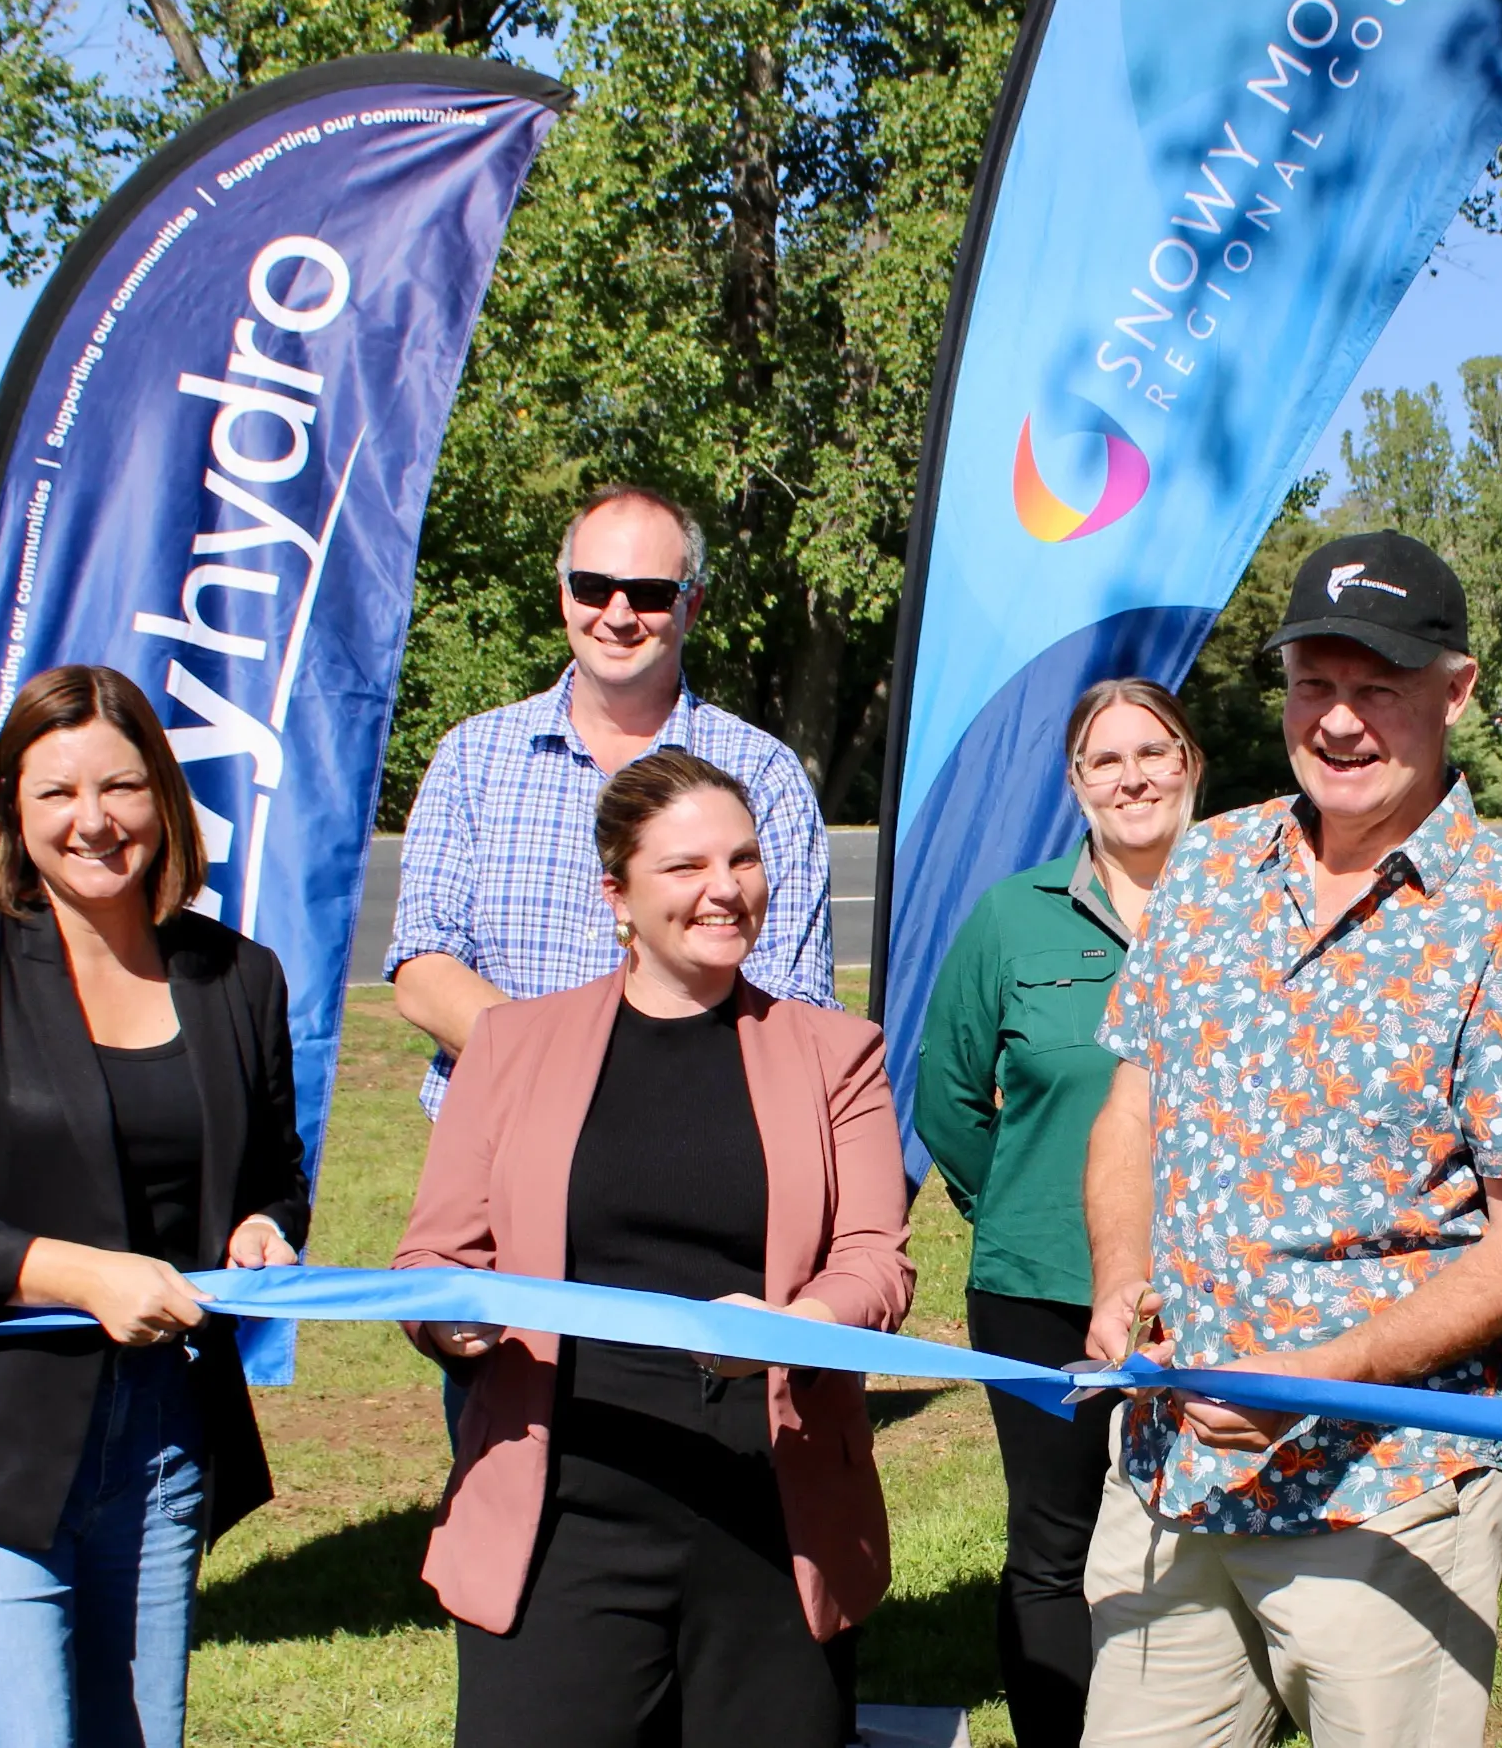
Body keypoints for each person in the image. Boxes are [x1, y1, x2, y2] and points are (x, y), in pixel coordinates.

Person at [1076, 529, 1502, 1748]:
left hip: (1386, 1492)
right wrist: (1119, 1278)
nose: (1342, 719)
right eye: (1316, 682)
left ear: (1456, 691)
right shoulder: (1209, 866)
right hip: (1170, 1473)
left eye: (1380, 685)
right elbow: (1132, 1107)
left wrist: (1327, 1375)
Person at [0, 664, 311, 1747]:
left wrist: (265, 1228)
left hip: (164, 1444)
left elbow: (276, 1173)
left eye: (121, 786)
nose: (94, 820)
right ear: (15, 808)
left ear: (165, 797)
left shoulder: (239, 977)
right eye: (58, 792)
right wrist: (82, 1275)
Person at [395, 748, 912, 1748]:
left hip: (770, 1504)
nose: (725, 887)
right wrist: (451, 1319)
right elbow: (433, 1258)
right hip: (564, 1506)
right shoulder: (508, 1047)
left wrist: (797, 1326)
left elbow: (875, 1261)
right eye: (685, 866)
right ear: (617, 894)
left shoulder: (836, 1053)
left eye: (743, 859)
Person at [912, 677, 1203, 1748]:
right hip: (1039, 1288)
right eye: (1105, 760)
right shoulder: (1012, 918)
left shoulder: (1252, 900)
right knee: (1054, 1547)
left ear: (1190, 763)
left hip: (1214, 1284)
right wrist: (1020, 1202)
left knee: (1208, 1536)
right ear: (1076, 784)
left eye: (1153, 752)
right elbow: (946, 1094)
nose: (1133, 778)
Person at [388, 482, 837, 1123]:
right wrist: (559, 1079)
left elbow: (790, 997)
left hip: (690, 1135)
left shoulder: (764, 773)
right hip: (499, 1142)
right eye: (594, 587)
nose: (618, 615)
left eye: (649, 593)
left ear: (692, 605)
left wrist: (627, 1106)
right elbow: (424, 967)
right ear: (564, 596)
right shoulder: (473, 758)